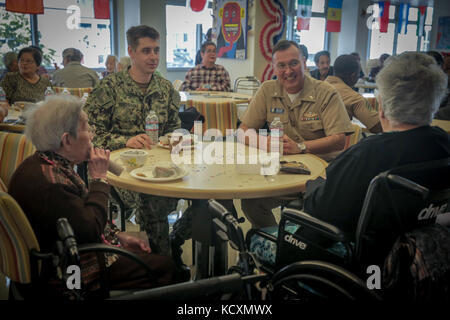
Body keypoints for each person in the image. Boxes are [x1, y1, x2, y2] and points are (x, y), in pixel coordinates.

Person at [9, 95, 179, 299]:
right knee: (167, 267)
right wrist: (99, 179)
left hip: (65, 251)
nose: (92, 135)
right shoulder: (51, 184)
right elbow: (89, 230)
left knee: (148, 255)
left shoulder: (40, 163)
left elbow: (79, 217)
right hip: (69, 272)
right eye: (87, 128)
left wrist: (117, 235)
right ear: (67, 140)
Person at [303, 52, 450, 236]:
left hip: (358, 256)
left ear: (382, 106)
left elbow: (319, 212)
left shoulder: (366, 154)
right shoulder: (444, 143)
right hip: (416, 253)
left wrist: (313, 185)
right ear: (435, 104)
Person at [84, 25, 183, 260]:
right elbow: (88, 134)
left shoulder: (166, 89)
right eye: (146, 51)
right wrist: (124, 140)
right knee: (153, 199)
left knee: (205, 199)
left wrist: (177, 137)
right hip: (120, 169)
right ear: (132, 52)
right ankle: (162, 267)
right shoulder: (109, 88)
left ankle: (175, 239)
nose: (153, 57)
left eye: (157, 50)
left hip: (162, 166)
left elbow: (174, 127)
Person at [325, 54, 382, 133]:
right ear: (353, 76)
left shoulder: (318, 87)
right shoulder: (354, 97)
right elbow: (376, 126)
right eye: (358, 74)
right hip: (332, 142)